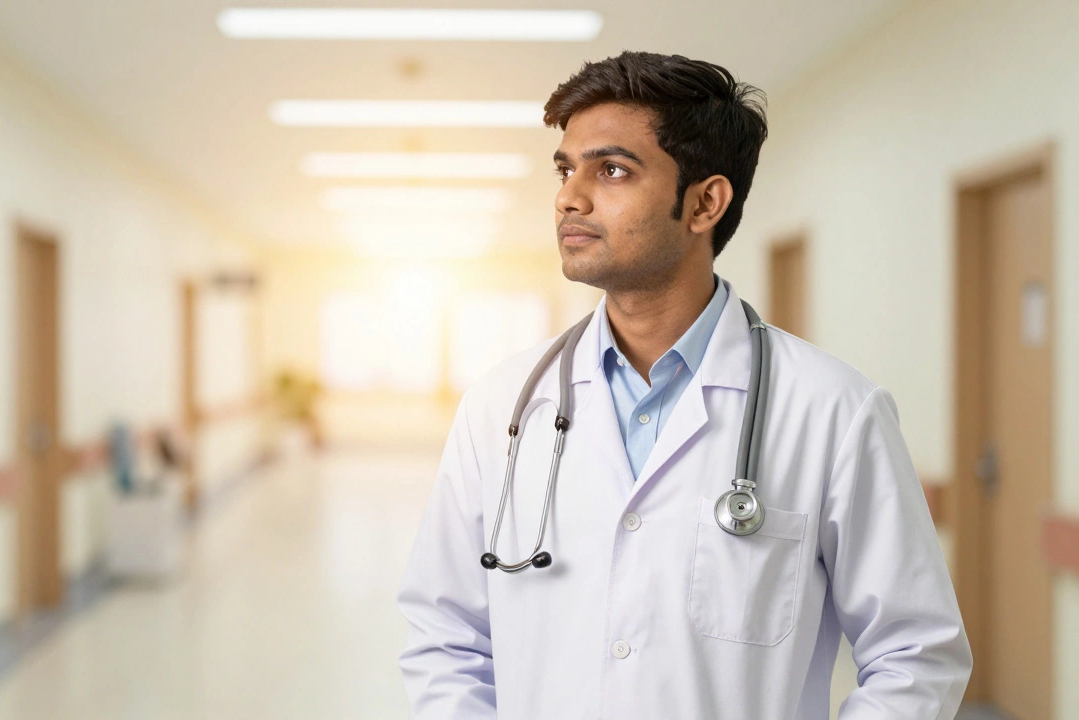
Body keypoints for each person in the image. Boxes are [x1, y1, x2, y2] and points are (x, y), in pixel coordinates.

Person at [396, 51, 971, 719]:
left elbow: (916, 652)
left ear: (704, 203)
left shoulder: (834, 412)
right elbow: (445, 637)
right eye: (566, 168)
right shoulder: (501, 406)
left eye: (611, 169)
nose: (569, 196)